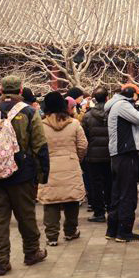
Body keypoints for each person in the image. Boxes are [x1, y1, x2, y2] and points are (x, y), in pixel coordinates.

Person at [0, 75, 49, 276]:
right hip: (22, 175)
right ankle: (31, 253)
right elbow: (39, 145)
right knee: (26, 216)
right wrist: (42, 176)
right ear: (21, 90)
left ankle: (1, 261)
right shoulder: (30, 112)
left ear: (1, 89)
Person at [104, 83, 139, 242]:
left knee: (118, 193)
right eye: (138, 95)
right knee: (128, 194)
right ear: (130, 94)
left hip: (119, 154)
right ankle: (124, 231)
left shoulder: (117, 104)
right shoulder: (122, 105)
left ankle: (112, 230)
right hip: (126, 153)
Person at [38, 92, 87, 246]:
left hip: (49, 168)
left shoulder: (40, 125)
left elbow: (36, 147)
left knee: (51, 202)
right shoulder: (74, 124)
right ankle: (71, 231)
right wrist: (75, 158)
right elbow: (83, 145)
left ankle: (52, 236)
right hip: (71, 164)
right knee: (71, 200)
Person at [81, 87, 111, 222]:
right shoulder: (112, 113)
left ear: (94, 99)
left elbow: (84, 136)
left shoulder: (87, 116)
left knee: (96, 184)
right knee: (109, 183)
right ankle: (112, 209)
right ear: (106, 98)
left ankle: (99, 213)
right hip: (110, 153)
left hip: (93, 155)